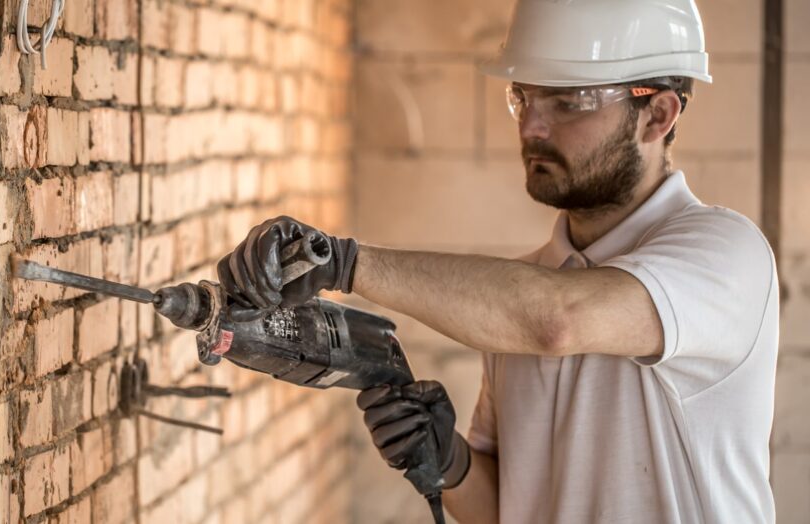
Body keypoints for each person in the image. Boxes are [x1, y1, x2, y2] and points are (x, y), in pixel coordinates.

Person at [216, 0, 779, 522]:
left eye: (567, 101)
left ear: (656, 115)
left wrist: (340, 262)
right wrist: (448, 460)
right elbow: (508, 507)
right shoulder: (518, 296)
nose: (532, 127)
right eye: (524, 97)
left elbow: (558, 320)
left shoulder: (725, 253)